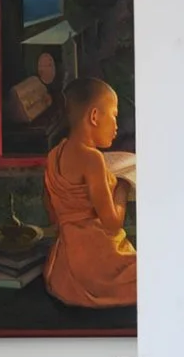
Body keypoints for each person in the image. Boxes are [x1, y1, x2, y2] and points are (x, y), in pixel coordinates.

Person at [42, 78, 136, 308]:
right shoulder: (92, 159)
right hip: (99, 267)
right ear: (94, 117)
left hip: (65, 267)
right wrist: (123, 186)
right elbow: (113, 224)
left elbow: (52, 214)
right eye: (113, 115)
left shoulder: (55, 154)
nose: (116, 125)